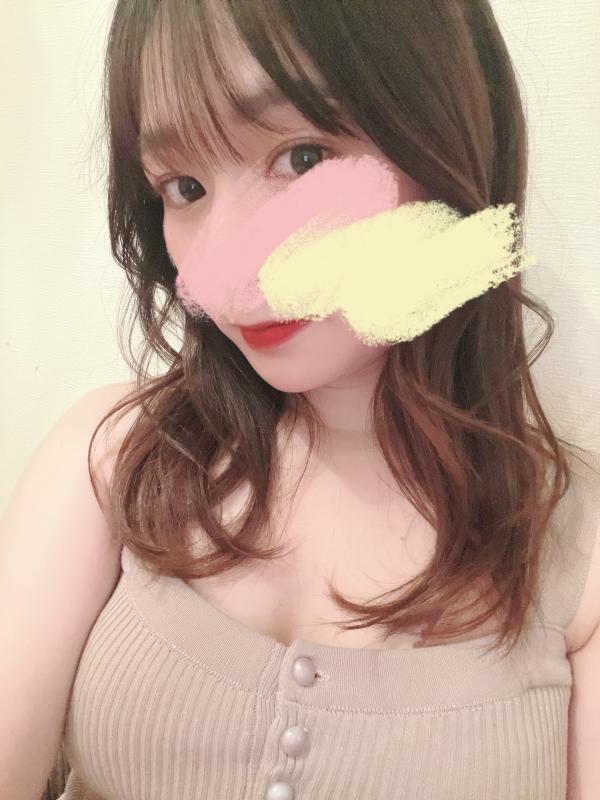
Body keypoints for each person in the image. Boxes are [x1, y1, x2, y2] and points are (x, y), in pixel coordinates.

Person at [2, 2, 600, 799]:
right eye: (185, 187)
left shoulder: (574, 553)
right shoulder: (114, 457)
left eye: (303, 157)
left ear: (448, 138)